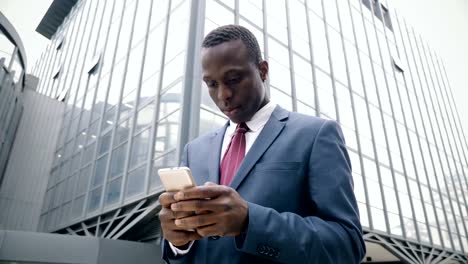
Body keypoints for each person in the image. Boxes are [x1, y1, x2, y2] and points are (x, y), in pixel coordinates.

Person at [159, 24, 366, 263]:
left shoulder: (316, 134)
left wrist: (250, 221)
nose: (223, 95)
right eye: (211, 84)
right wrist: (177, 243)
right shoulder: (194, 150)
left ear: (263, 70)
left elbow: (347, 244)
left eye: (234, 79)